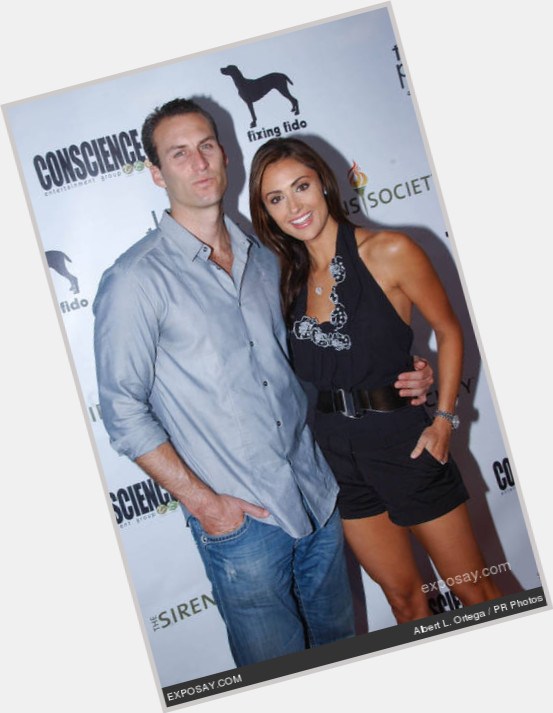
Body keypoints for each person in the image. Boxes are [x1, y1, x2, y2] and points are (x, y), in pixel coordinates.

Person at [93, 98, 432, 666]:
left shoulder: (273, 258)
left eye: (206, 146)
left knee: (344, 661)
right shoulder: (135, 280)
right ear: (156, 173)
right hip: (241, 524)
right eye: (179, 154)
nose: (199, 162)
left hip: (319, 499)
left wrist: (408, 371)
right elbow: (123, 412)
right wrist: (205, 505)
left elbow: (318, 353)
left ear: (225, 154)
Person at [249, 137, 502, 624]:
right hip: (336, 456)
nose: (293, 207)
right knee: (403, 601)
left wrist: (445, 420)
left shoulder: (389, 250)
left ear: (324, 184)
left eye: (301, 187)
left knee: (474, 591)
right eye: (276, 198)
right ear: (267, 212)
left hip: (404, 442)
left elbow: (449, 331)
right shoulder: (285, 279)